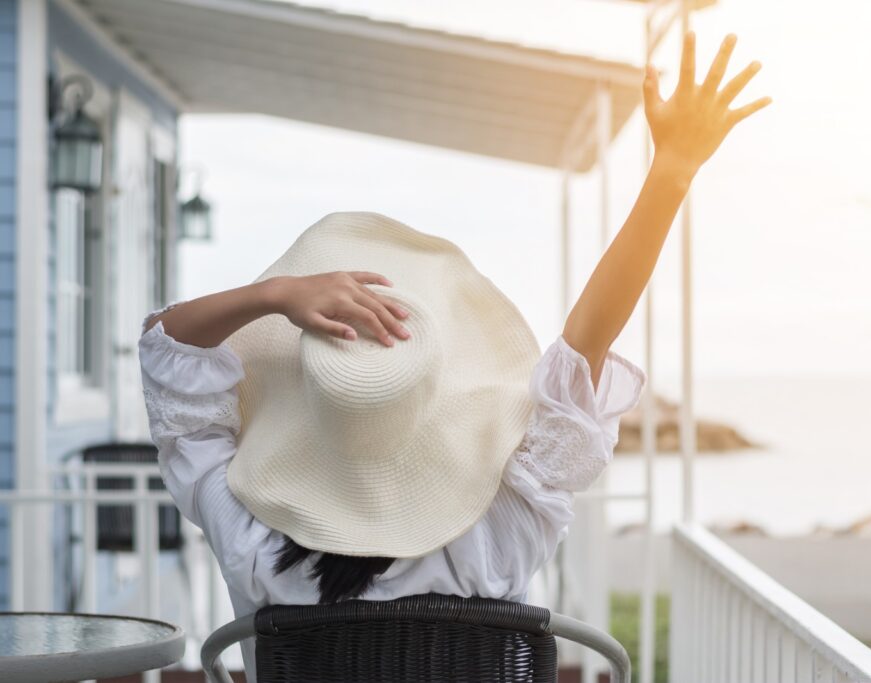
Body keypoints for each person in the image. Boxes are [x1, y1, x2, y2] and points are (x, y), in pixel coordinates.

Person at [138, 32, 769, 681]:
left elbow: (169, 353)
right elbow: (585, 349)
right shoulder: (495, 536)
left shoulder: (256, 546)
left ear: (310, 405)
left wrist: (276, 295)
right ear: (436, 397)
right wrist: (671, 173)